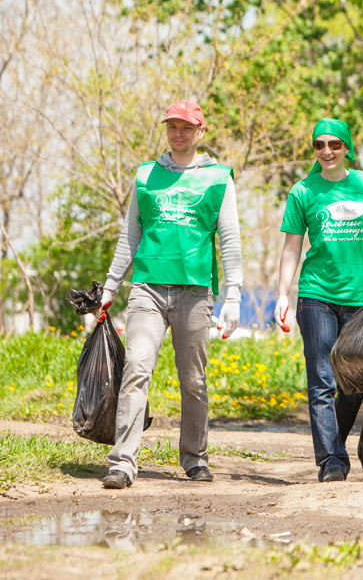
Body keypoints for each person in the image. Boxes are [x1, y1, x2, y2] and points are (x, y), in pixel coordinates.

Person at [98, 100, 243, 489]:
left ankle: (195, 458)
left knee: (193, 379)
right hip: (147, 288)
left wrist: (234, 295)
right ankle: (123, 463)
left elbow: (229, 238)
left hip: (195, 292)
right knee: (136, 369)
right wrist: (111, 285)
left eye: (186, 127)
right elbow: (131, 235)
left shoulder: (218, 178)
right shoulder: (146, 176)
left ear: (200, 131)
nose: (178, 134)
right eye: (172, 127)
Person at [274, 118, 363, 482]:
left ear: (347, 148)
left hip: (362, 298)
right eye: (319, 145)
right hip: (316, 296)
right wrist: (282, 294)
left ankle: (335, 445)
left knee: (357, 381)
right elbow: (291, 247)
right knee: (321, 379)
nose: (327, 151)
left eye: (334, 144)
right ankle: (331, 460)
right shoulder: (303, 191)